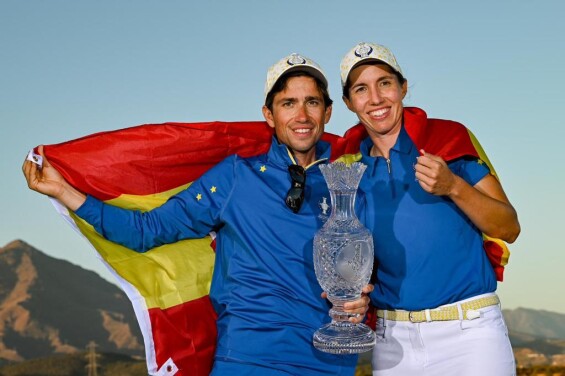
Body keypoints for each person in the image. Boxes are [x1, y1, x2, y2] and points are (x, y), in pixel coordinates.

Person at [23, 53, 372, 375]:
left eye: (312, 102)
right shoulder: (236, 176)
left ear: (327, 112)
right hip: (249, 360)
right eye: (288, 103)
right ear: (269, 115)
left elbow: (377, 267)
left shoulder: (350, 180)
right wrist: (63, 191)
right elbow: (145, 230)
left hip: (331, 362)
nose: (301, 115)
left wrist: (365, 297)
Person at [339, 42, 521, 375]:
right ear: (349, 103)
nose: (376, 98)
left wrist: (453, 186)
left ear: (403, 87)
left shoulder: (448, 138)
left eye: (385, 83)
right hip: (393, 342)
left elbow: (508, 227)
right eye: (361, 89)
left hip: (471, 334)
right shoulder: (350, 170)